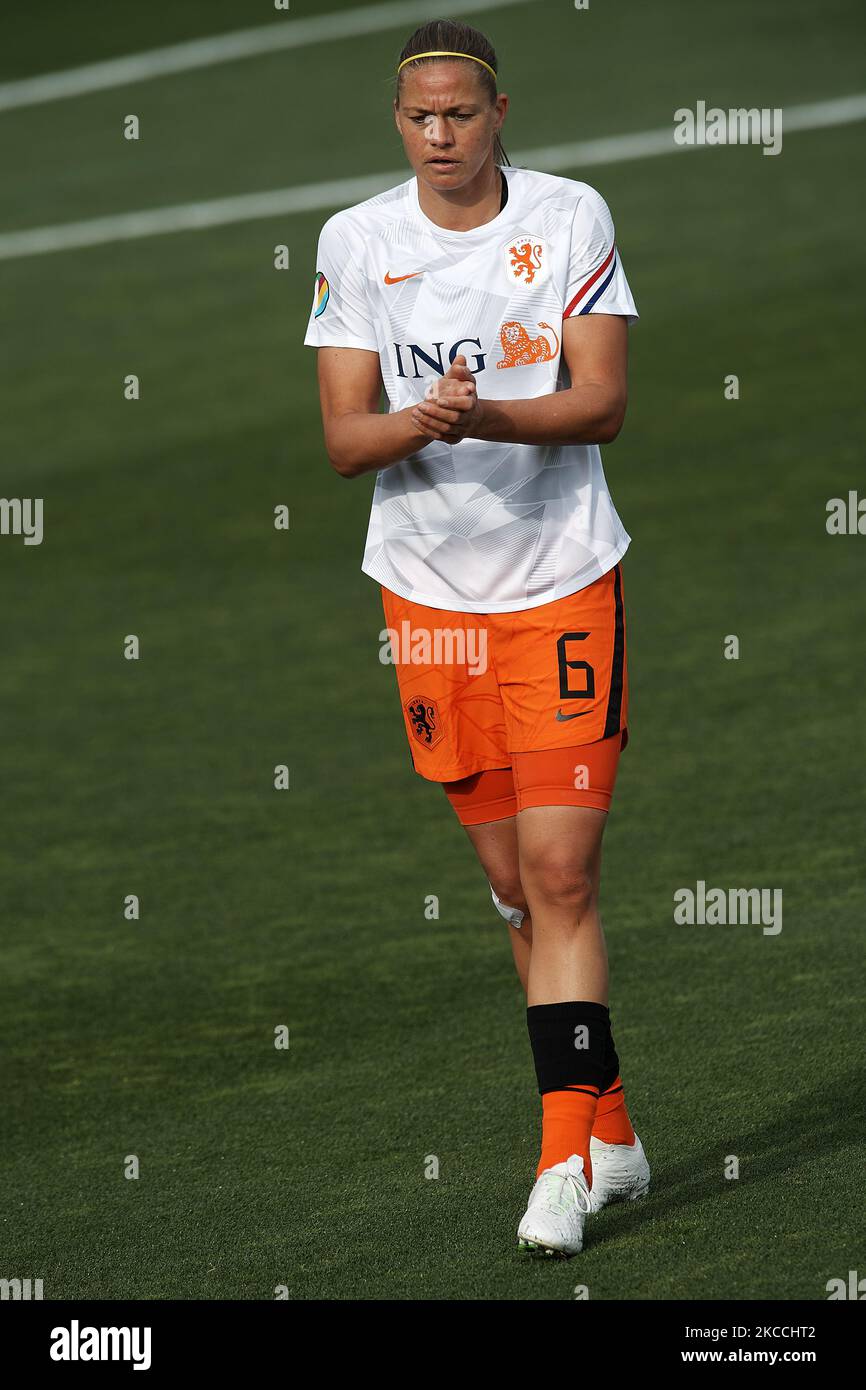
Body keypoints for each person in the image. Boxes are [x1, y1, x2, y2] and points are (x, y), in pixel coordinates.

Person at [303, 17, 650, 1257]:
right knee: (512, 887)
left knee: (561, 875)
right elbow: (346, 440)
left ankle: (559, 1163)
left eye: (460, 112)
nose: (439, 134)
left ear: (499, 111)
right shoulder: (357, 241)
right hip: (428, 604)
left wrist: (479, 414)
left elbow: (600, 403)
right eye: (418, 117)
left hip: (560, 584)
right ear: (397, 123)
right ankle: (608, 1126)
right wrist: (423, 421)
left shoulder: (568, 218)